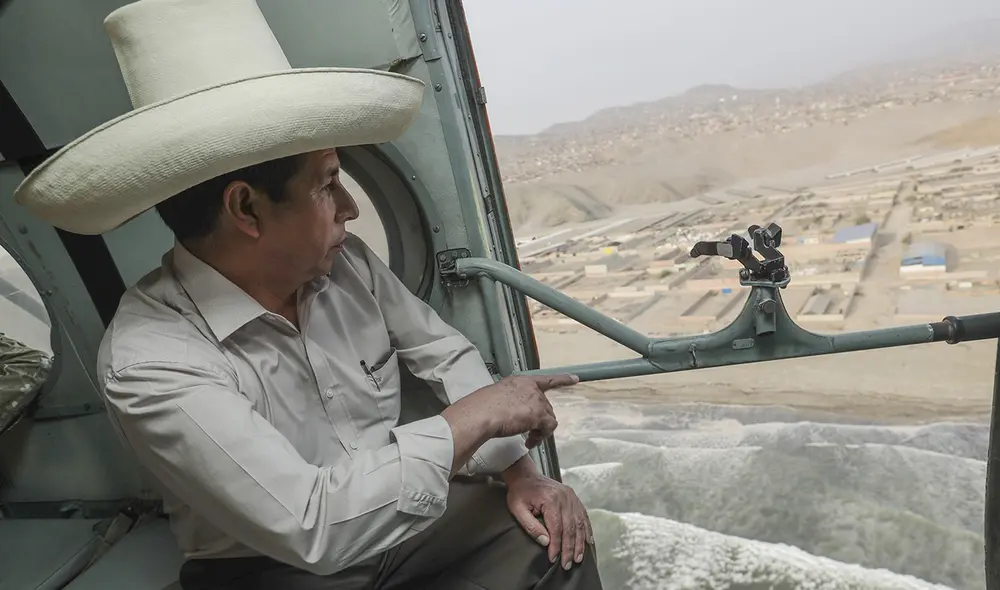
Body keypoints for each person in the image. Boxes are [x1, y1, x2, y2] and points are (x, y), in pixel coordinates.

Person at [12, 0, 603, 588]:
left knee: (554, 543)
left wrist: (522, 472)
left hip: (402, 518)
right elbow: (312, 527)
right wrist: (474, 417)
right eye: (327, 185)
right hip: (267, 563)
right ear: (246, 208)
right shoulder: (149, 361)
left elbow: (443, 354)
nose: (349, 208)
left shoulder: (348, 267)